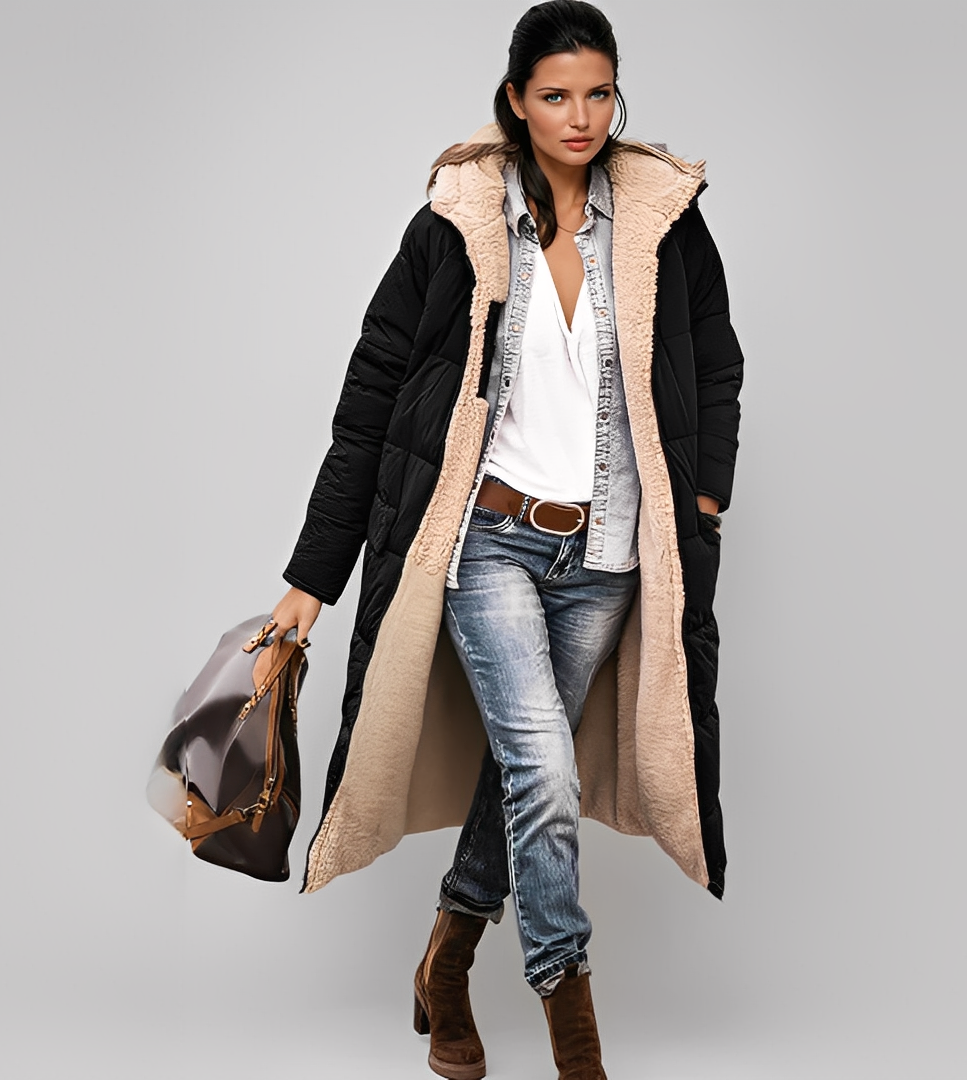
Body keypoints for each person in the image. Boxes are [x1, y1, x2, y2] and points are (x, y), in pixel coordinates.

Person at [271, 2, 744, 1076]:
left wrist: (705, 498)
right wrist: (312, 577)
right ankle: (576, 1035)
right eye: (555, 95)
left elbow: (716, 361)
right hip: (488, 540)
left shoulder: (663, 221)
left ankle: (446, 958)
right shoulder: (459, 222)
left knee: (530, 776)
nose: (581, 117)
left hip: (606, 552)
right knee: (544, 771)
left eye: (599, 93)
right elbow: (373, 397)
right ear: (516, 101)